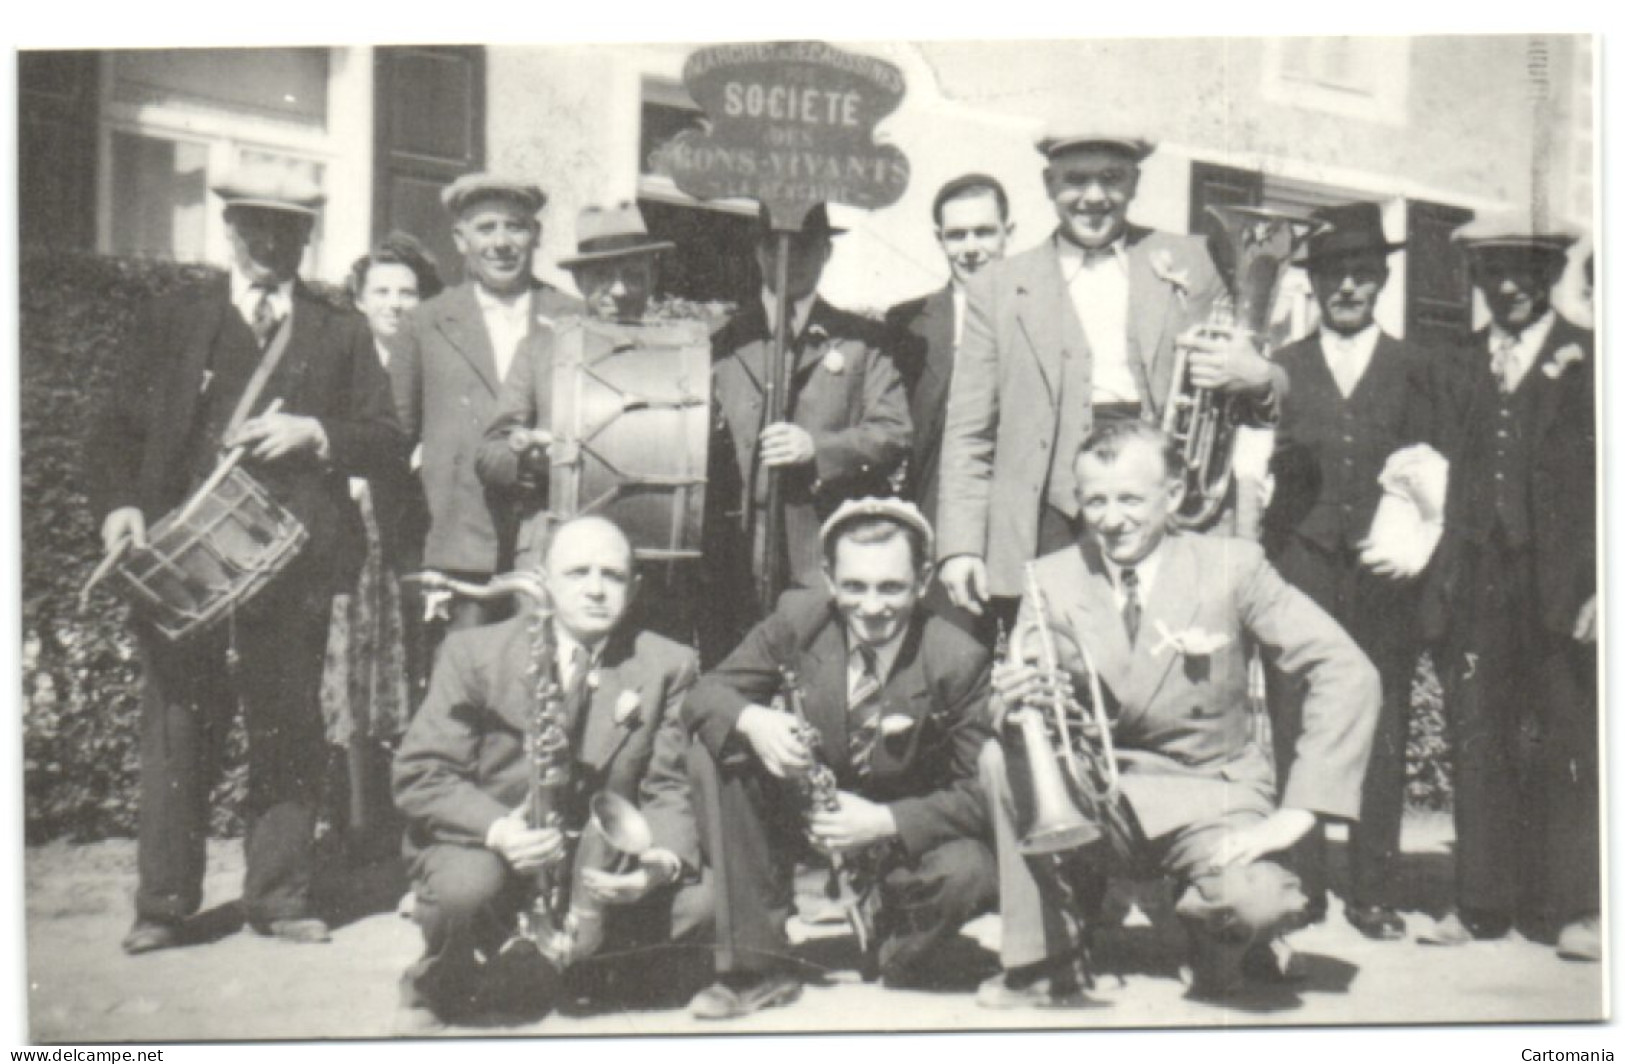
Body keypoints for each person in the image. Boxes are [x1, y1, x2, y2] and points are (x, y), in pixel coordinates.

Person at [88, 170, 407, 954]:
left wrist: (316, 432)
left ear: (306, 239)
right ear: (229, 229)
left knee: (288, 727)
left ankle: (279, 896)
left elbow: (388, 439)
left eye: (287, 231)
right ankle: (163, 904)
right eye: (255, 228)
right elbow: (111, 432)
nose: (270, 244)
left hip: (292, 563)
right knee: (176, 727)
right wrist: (120, 507)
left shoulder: (340, 330)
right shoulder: (175, 318)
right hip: (183, 558)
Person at [976, 420, 1379, 1004]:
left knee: (1258, 901)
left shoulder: (1232, 566)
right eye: (1095, 500)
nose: (1111, 519)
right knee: (1000, 757)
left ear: (1174, 495)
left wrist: (1304, 808)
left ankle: (1207, 935)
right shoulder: (1051, 577)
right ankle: (1045, 958)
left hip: (1209, 795)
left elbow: (1347, 670)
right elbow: (1016, 703)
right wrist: (1012, 703)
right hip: (1101, 797)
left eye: (1131, 499)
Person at [936, 134, 1285, 637]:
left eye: (1112, 179)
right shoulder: (997, 284)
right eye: (1076, 180)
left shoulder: (1195, 259)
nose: (1094, 196)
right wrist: (962, 545)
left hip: (1162, 507)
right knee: (1053, 676)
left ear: (1136, 184)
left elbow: (1256, 394)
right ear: (1049, 185)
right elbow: (968, 431)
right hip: (1045, 518)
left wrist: (1256, 377)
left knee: (1161, 670)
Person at [392, 515, 712, 1029]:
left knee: (702, 902)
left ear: (634, 589)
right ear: (543, 581)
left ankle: (586, 964)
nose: (594, 589)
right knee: (462, 890)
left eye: (611, 575)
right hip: (495, 846)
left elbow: (667, 785)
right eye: (577, 572)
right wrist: (499, 830)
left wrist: (659, 863)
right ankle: (436, 986)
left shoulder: (668, 662)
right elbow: (421, 773)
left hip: (597, 859)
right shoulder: (473, 653)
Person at [683, 498, 997, 1019]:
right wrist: (752, 720)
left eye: (891, 588)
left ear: (922, 583)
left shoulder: (958, 657)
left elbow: (980, 794)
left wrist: (881, 821)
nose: (872, 607)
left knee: (971, 872)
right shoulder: (796, 620)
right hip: (807, 816)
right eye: (854, 587)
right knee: (715, 748)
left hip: (900, 841)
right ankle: (756, 967)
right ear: (829, 579)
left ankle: (897, 948)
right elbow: (705, 694)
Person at [1419, 218, 1598, 962]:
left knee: (1569, 740)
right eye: (1493, 272)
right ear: (1476, 278)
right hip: (1477, 583)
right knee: (1479, 736)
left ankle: (1577, 908)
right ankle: (1479, 902)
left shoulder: (1593, 360)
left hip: (1564, 584)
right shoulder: (1457, 361)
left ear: (1553, 272)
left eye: (1526, 271)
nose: (1510, 287)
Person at [1261, 202, 1435, 940]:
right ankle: (1300, 881)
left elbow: (1433, 472)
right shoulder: (1280, 366)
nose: (1349, 287)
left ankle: (1372, 888)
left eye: (1363, 272)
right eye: (1335, 272)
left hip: (1379, 572)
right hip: (1298, 562)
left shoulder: (1415, 364)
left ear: (1382, 278)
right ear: (1315, 279)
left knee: (1382, 721)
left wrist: (1411, 543)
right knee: (1294, 715)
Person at [704, 204, 911, 660]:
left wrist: (816, 448)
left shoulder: (862, 341)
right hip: (737, 551)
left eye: (805, 247)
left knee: (822, 673)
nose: (789, 258)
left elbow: (893, 432)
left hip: (823, 546)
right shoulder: (721, 340)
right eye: (777, 246)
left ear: (826, 252)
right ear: (758, 252)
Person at [387, 173, 581, 648]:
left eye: (515, 227)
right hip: (459, 539)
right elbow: (395, 436)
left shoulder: (572, 316)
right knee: (457, 681)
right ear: (460, 239)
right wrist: (413, 546)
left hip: (548, 534)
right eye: (486, 228)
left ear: (535, 234)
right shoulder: (425, 321)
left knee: (542, 679)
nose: (501, 243)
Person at [319, 232, 445, 855]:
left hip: (408, 531)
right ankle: (350, 821)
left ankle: (404, 823)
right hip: (349, 530)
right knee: (346, 675)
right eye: (382, 291)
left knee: (409, 672)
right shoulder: (340, 355)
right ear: (360, 299)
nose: (395, 303)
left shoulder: (431, 354)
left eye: (408, 292)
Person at [476, 202, 676, 571]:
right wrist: (532, 459)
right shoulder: (542, 349)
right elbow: (490, 453)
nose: (618, 290)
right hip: (554, 541)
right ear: (581, 281)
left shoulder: (677, 357)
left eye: (632, 275)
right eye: (602, 276)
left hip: (645, 547)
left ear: (651, 278)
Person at [885, 173, 1015, 527]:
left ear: (1009, 232)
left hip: (1016, 506)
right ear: (939, 239)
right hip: (933, 503)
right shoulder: (907, 324)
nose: (971, 248)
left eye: (984, 232)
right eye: (956, 235)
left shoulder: (1039, 316)